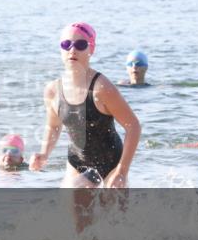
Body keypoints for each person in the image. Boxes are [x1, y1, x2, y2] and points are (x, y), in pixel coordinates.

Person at [30, 22, 142, 189]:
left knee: (116, 215)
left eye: (80, 45)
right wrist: (44, 153)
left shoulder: (102, 88)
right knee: (70, 204)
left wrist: (122, 171)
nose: (72, 50)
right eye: (66, 44)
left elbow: (133, 126)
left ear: (91, 49)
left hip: (111, 162)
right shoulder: (53, 91)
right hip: (76, 162)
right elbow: (53, 126)